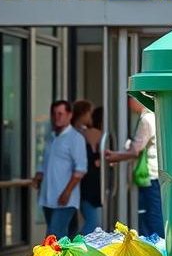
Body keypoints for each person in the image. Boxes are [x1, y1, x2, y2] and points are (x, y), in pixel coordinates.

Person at [105, 96, 163, 238]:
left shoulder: (147, 119)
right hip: (154, 175)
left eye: (129, 100)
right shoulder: (156, 115)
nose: (127, 105)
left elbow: (135, 150)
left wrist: (113, 157)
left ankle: (153, 251)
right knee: (153, 215)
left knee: (150, 217)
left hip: (150, 175)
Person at [33, 100, 87, 239]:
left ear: (69, 115)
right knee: (66, 236)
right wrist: (39, 174)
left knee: (54, 236)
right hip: (48, 196)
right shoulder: (51, 137)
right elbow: (45, 162)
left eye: (61, 114)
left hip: (65, 199)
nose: (57, 117)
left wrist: (67, 192)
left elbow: (80, 169)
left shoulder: (75, 138)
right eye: (54, 114)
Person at [72, 100, 104, 234]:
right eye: (89, 113)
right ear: (84, 113)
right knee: (93, 223)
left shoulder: (76, 132)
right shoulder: (84, 134)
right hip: (85, 185)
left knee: (85, 223)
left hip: (84, 185)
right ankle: (77, 249)